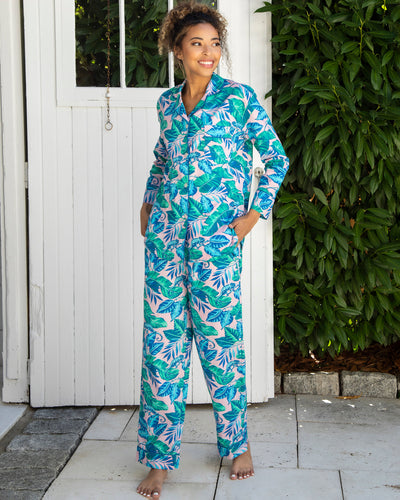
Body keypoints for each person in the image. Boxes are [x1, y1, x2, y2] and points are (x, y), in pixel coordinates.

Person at [136, 2, 289, 498]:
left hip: (215, 245)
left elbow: (276, 158)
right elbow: (162, 159)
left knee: (221, 348)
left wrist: (253, 214)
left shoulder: (238, 99)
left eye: (215, 43)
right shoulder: (166, 104)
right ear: (177, 50)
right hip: (164, 243)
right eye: (197, 43)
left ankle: (237, 445)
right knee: (162, 349)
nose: (208, 52)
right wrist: (147, 202)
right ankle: (159, 460)